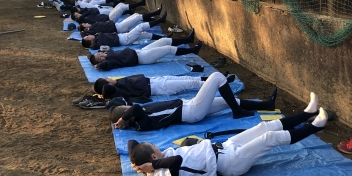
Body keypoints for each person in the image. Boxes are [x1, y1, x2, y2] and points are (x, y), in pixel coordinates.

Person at [128, 93, 328, 176]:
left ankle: (307, 113)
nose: (160, 148)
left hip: (224, 147)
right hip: (230, 164)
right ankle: (315, 126)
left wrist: (135, 162)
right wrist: (152, 166)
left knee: (264, 127)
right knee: (270, 138)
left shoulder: (159, 158)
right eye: (156, 149)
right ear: (153, 157)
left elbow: (131, 142)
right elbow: (176, 162)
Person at [109, 71, 277, 131]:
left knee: (228, 100)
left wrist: (124, 117)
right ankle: (238, 112)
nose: (128, 106)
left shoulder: (139, 117)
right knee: (217, 77)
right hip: (192, 112)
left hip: (189, 107)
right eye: (125, 108)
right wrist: (123, 119)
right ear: (126, 114)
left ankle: (267, 105)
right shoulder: (141, 123)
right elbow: (136, 109)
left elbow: (135, 109)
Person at [74, 72, 238, 107]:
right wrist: (99, 94)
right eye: (107, 80)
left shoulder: (117, 85)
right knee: (191, 83)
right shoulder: (116, 91)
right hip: (156, 87)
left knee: (186, 78)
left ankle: (220, 78)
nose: (110, 78)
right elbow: (107, 90)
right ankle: (220, 83)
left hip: (154, 80)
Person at [89, 38, 203, 71]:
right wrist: (98, 65)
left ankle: (187, 39)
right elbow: (104, 66)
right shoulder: (109, 62)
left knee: (163, 41)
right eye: (100, 58)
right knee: (168, 49)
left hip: (140, 51)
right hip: (143, 58)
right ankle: (193, 50)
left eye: (99, 54)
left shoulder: (108, 54)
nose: (101, 55)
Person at [80, 11, 170, 50]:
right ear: (91, 42)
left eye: (87, 36)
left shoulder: (97, 36)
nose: (88, 35)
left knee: (143, 34)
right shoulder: (98, 44)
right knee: (141, 26)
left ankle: (165, 39)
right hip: (124, 39)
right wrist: (90, 45)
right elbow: (94, 46)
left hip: (122, 35)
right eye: (88, 37)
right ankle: (160, 20)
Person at [78, 5, 163, 35]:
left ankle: (155, 16)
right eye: (85, 24)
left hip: (118, 25)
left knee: (136, 15)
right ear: (85, 29)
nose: (86, 23)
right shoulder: (92, 30)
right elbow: (84, 34)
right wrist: (82, 30)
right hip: (119, 28)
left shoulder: (93, 26)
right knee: (137, 17)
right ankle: (157, 14)